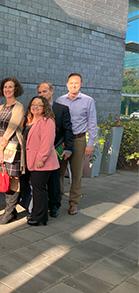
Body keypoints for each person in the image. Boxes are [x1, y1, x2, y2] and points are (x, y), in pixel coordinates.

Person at [56, 73, 97, 215]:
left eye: (76, 83)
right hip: (62, 141)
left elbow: (92, 123)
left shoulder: (88, 101)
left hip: (78, 140)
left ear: (81, 84)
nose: (73, 85)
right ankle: (57, 199)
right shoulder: (60, 100)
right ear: (66, 84)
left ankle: (74, 203)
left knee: (76, 172)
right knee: (59, 171)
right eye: (71, 83)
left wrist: (90, 143)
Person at [0, 77, 25, 224]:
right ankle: (10, 210)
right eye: (5, 87)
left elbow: (11, 127)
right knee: (4, 175)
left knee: (13, 177)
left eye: (10, 87)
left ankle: (10, 211)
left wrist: (2, 143)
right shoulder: (0, 107)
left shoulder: (19, 107)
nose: (7, 90)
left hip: (12, 145)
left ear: (15, 89)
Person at [37, 82, 74, 217]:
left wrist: (69, 149)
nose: (42, 94)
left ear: (51, 91)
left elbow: (68, 130)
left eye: (44, 91)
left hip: (55, 149)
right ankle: (41, 205)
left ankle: (54, 206)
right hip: (39, 151)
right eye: (40, 92)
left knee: (54, 180)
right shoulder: (36, 109)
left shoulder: (62, 109)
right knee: (40, 180)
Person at [23, 96, 60, 226]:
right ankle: (37, 214)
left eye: (39, 105)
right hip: (31, 161)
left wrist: (41, 159)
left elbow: (47, 143)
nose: (35, 107)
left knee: (39, 189)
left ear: (45, 107)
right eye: (33, 104)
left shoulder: (47, 121)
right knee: (37, 188)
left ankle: (40, 217)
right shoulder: (31, 121)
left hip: (42, 162)